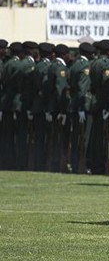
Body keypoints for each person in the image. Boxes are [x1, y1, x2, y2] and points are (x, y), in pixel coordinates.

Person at [88, 40, 109, 175]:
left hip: (95, 102)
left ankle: (94, 164)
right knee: (101, 138)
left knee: (96, 136)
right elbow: (106, 86)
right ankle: (99, 166)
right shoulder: (106, 64)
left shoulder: (94, 63)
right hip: (102, 104)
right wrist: (106, 106)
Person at [69, 42, 95, 174]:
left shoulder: (75, 64)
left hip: (74, 105)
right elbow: (82, 89)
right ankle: (81, 165)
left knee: (75, 138)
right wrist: (82, 108)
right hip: (82, 106)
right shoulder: (85, 65)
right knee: (84, 137)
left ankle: (74, 163)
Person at [14, 41, 38, 170]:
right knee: (23, 135)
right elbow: (27, 87)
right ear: (31, 51)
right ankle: (21, 162)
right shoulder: (27, 64)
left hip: (22, 102)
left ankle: (20, 162)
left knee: (23, 135)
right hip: (25, 103)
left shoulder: (25, 63)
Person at [30, 42, 54, 172]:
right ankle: (41, 164)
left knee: (39, 137)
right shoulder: (46, 67)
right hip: (44, 106)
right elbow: (46, 87)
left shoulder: (38, 66)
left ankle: (39, 163)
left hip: (37, 106)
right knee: (44, 137)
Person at [48, 44, 71, 173]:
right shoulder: (60, 68)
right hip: (59, 109)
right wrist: (62, 110)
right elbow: (60, 90)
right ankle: (58, 164)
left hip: (52, 107)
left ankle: (54, 164)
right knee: (61, 138)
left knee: (54, 137)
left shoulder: (51, 65)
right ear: (64, 54)